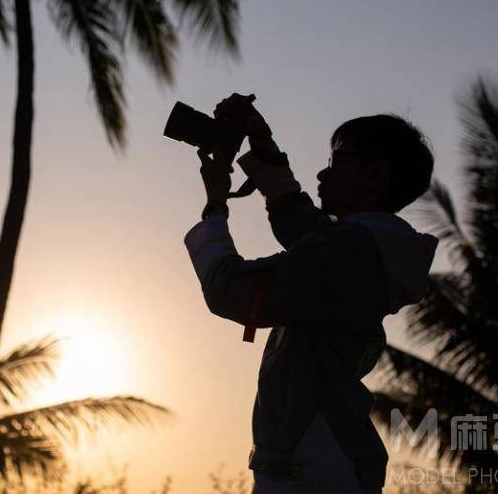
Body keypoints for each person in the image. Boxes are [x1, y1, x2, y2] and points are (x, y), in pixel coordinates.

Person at [183, 94, 439, 493]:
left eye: (338, 161)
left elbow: (231, 291)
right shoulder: (367, 248)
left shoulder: (348, 252)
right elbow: (299, 223)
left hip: (310, 467)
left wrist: (216, 204)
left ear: (374, 173)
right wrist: (260, 140)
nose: (322, 174)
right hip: (321, 460)